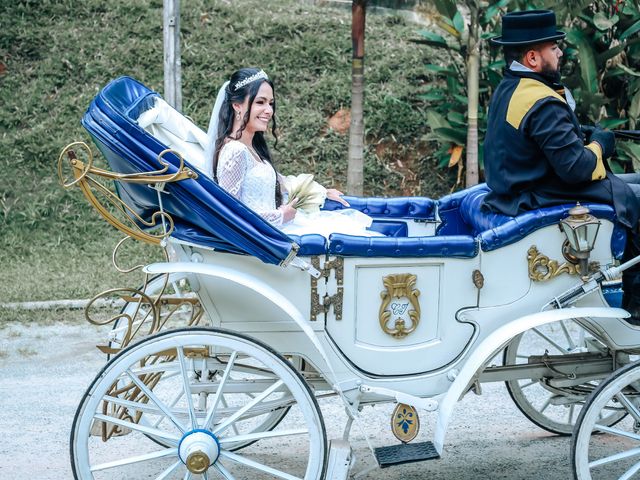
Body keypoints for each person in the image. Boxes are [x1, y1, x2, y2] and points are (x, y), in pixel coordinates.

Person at [482, 10, 640, 321]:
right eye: (553, 46)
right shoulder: (542, 102)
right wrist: (600, 145)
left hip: (519, 188)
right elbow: (577, 169)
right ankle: (636, 305)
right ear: (532, 58)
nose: (560, 51)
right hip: (541, 192)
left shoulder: (511, 87)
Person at [205, 67, 381, 238]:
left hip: (277, 231)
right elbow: (229, 214)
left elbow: (284, 182)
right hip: (266, 239)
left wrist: (321, 192)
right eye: (260, 102)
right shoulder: (234, 151)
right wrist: (279, 217)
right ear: (237, 105)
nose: (269, 110)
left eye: (271, 103)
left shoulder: (252, 149)